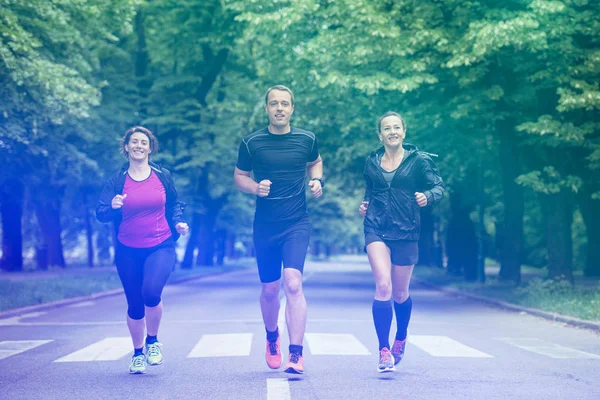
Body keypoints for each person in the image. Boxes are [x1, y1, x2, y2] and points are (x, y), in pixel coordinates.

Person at [234, 85, 323, 374]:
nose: (280, 108)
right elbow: (240, 176)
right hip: (266, 225)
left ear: (292, 108)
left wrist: (317, 180)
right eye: (274, 104)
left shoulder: (307, 139)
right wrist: (255, 188)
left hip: (297, 222)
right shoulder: (252, 143)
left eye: (285, 103)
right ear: (267, 109)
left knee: (293, 283)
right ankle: (272, 336)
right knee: (270, 289)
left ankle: (296, 354)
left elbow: (315, 162)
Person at [96, 126, 189, 374]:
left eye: (143, 142)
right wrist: (114, 206)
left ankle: (153, 341)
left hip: (161, 244)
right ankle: (137, 354)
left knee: (150, 292)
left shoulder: (162, 175)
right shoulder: (117, 180)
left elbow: (174, 204)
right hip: (127, 249)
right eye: (134, 142)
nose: (139, 145)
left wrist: (178, 222)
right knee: (135, 304)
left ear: (150, 148)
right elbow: (101, 212)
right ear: (126, 147)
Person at [359, 111, 444, 373]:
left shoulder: (419, 161)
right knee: (382, 285)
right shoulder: (371, 162)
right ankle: (384, 350)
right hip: (377, 227)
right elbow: (370, 191)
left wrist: (427, 196)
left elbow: (439, 187)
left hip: (406, 230)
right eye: (387, 128)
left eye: (397, 127)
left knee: (400, 293)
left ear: (404, 132)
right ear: (380, 134)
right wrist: (365, 205)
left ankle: (401, 336)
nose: (392, 132)